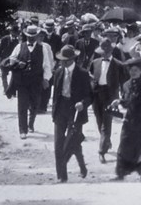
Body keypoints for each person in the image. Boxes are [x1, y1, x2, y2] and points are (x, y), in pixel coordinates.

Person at [111, 58, 141, 180]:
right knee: (125, 144)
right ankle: (121, 173)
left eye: (136, 70)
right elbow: (126, 102)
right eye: (131, 70)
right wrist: (118, 102)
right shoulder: (126, 85)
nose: (133, 72)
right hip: (129, 119)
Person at [52, 45, 92, 183]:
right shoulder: (58, 72)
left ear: (71, 59)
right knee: (58, 143)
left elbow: (89, 96)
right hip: (60, 110)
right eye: (61, 60)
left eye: (64, 60)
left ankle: (82, 167)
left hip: (75, 111)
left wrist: (83, 103)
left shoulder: (83, 74)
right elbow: (55, 94)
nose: (61, 62)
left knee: (71, 142)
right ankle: (61, 176)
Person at [8, 25, 53, 138]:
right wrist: (18, 63)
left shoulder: (42, 48)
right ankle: (22, 130)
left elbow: (47, 65)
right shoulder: (19, 46)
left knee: (35, 104)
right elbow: (11, 60)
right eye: (29, 36)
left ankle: (31, 123)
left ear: (37, 36)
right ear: (26, 36)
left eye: (33, 36)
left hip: (36, 82)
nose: (31, 39)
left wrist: (46, 78)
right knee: (22, 105)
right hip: (22, 82)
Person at [89, 39, 124, 163]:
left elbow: (124, 83)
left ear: (111, 51)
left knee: (106, 124)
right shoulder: (95, 62)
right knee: (99, 121)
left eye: (106, 51)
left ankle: (101, 151)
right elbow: (91, 76)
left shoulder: (118, 65)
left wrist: (121, 98)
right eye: (102, 51)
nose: (103, 54)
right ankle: (106, 141)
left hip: (110, 96)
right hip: (97, 94)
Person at [0, 25, 20, 94]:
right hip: (4, 60)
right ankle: (6, 89)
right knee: (4, 75)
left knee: (14, 75)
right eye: (14, 32)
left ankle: (12, 89)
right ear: (11, 32)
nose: (16, 34)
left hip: (14, 61)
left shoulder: (18, 41)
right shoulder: (4, 39)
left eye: (17, 32)